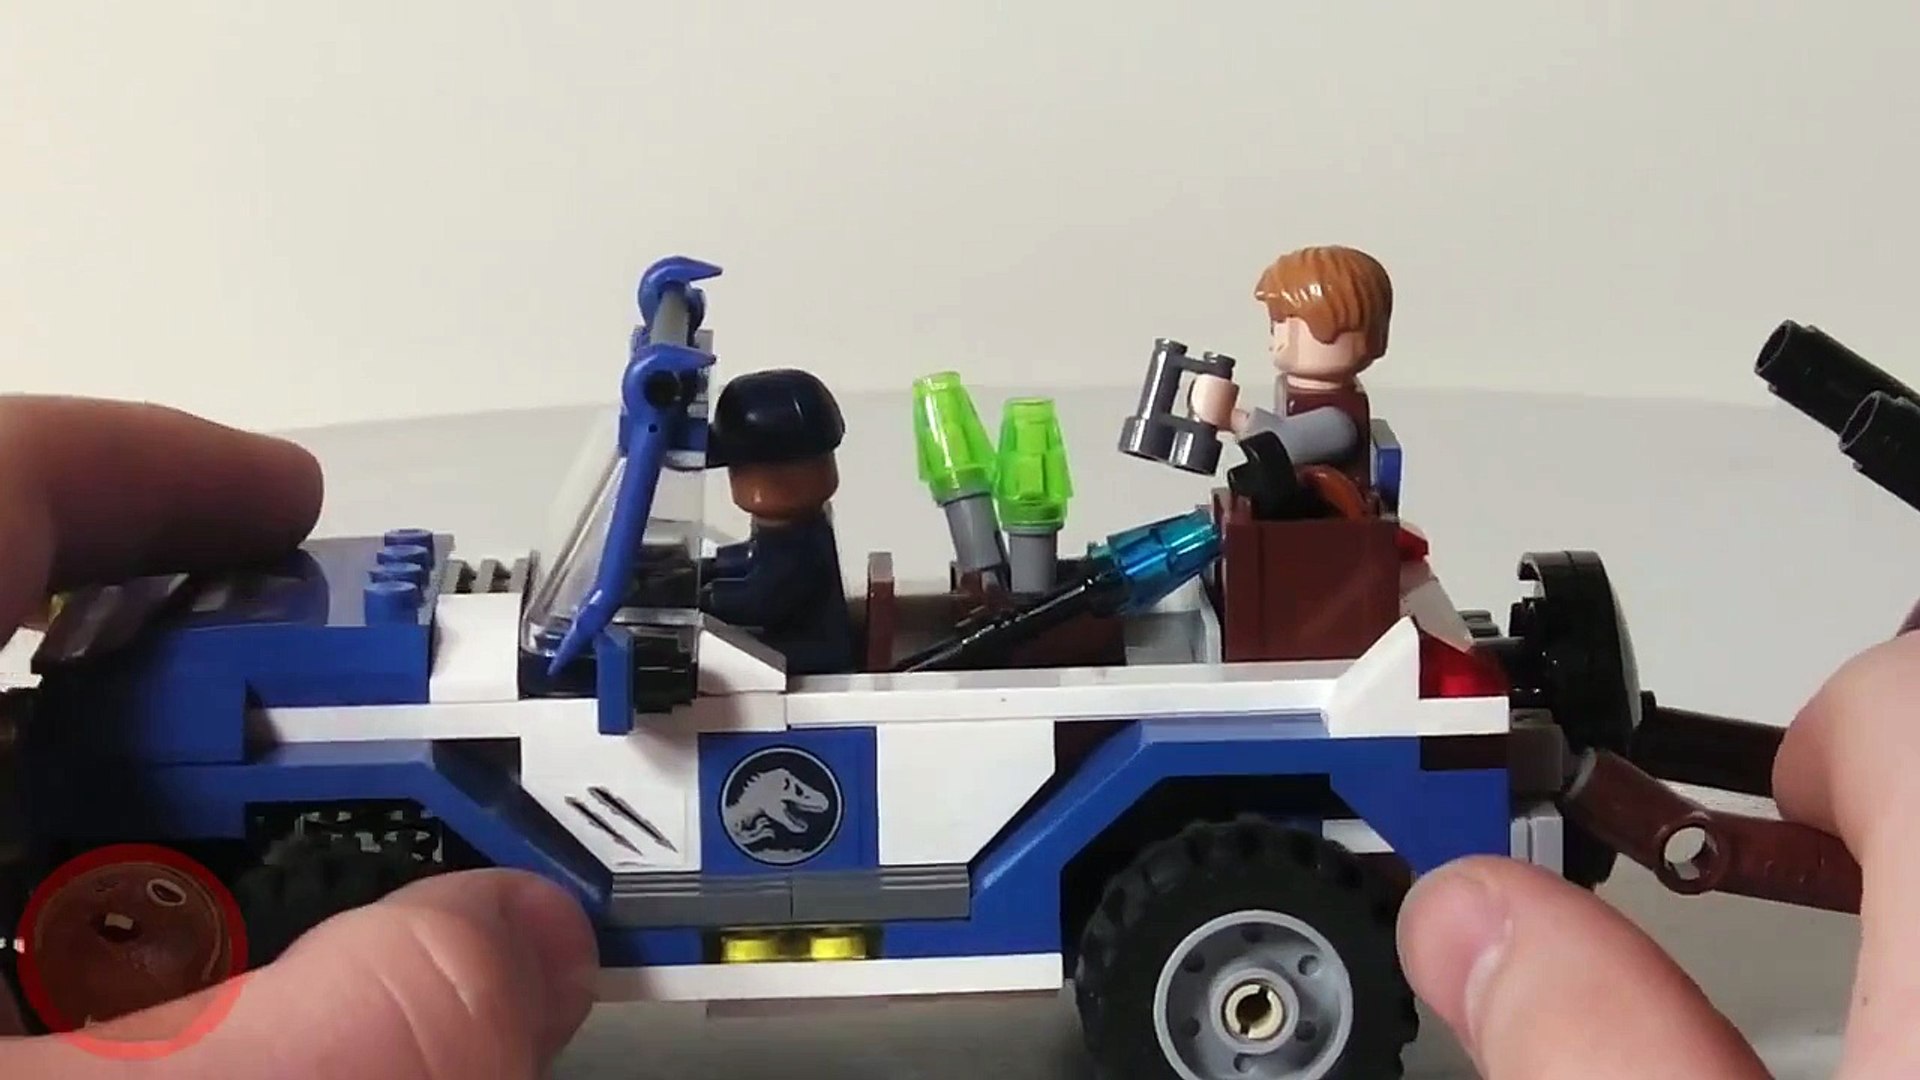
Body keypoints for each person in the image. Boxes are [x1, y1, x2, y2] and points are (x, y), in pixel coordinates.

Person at [0, 393, 1914, 1078]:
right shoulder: (760, 563)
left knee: (1190, 875)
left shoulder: (774, 571)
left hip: (972, 749)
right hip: (812, 694)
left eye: (755, 469)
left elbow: (772, 629)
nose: (765, 492)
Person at [1189, 244, 1392, 493]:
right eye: (1277, 326)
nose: (1280, 341)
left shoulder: (1339, 421)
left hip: (1322, 510)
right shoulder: (1293, 391)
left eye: (1294, 326)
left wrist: (1231, 417)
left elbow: (1285, 442)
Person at [698, 369, 856, 676]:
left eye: (740, 468)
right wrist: (704, 568)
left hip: (814, 656)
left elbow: (764, 598)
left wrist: (704, 598)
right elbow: (754, 558)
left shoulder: (799, 543)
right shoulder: (793, 531)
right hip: (795, 640)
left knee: (715, 668)